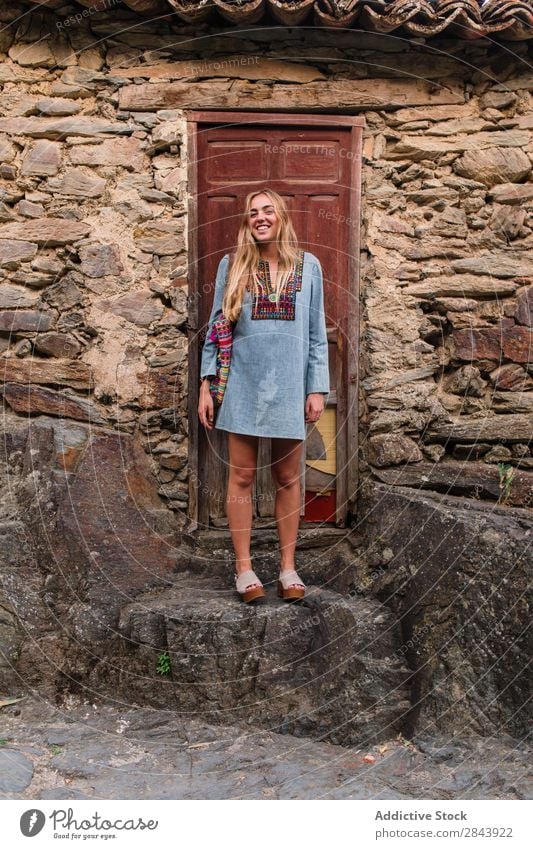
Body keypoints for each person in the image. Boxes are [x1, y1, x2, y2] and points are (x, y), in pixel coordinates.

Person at [198, 188, 330, 603]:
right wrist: (206, 383)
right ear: (246, 221)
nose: (260, 217)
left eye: (267, 210)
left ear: (281, 216)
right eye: (252, 212)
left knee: (288, 477)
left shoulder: (309, 267)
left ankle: (288, 568)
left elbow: (316, 335)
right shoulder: (232, 265)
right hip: (242, 382)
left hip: (290, 384)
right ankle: (244, 569)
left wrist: (316, 386)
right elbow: (216, 329)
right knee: (240, 476)